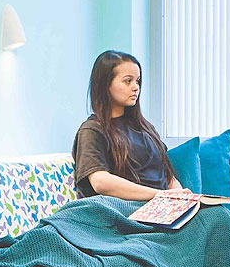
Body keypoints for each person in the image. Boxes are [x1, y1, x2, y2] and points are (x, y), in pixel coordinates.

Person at [72, 50, 182, 199]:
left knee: (216, 213)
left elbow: (168, 177)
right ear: (106, 85)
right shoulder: (92, 130)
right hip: (127, 209)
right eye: (128, 81)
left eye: (137, 80)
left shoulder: (146, 128)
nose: (136, 87)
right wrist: (160, 196)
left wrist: (181, 199)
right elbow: (100, 181)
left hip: (160, 206)